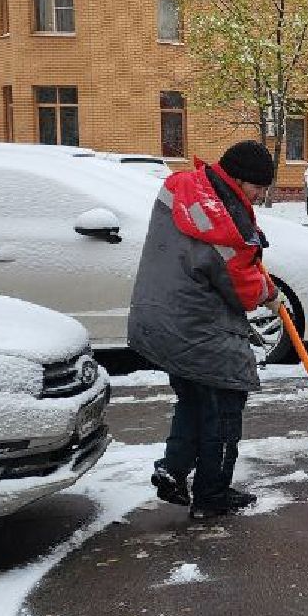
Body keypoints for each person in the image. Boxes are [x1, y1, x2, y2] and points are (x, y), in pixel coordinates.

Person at [129, 140, 280, 520]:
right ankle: (212, 493)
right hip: (196, 327)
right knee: (226, 404)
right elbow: (243, 288)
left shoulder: (188, 187)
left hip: (164, 318)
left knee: (195, 400)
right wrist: (269, 293)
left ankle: (174, 468)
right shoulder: (219, 220)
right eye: (258, 188)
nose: (261, 196)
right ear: (240, 179)